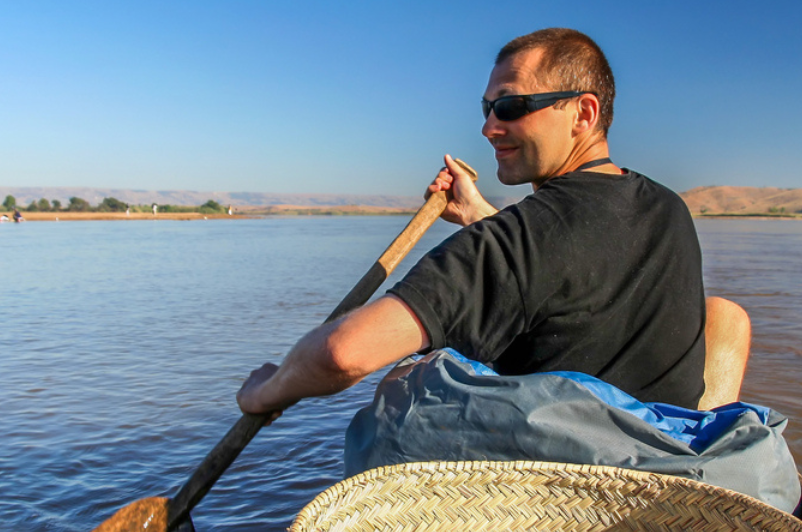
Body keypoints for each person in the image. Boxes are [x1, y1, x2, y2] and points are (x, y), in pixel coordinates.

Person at [237, 28, 750, 424]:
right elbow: (564, 256)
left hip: (554, 483)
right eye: (487, 108)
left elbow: (341, 353)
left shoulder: (513, 242)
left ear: (583, 113)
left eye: (510, 106)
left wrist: (269, 387)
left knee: (408, 377)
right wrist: (478, 212)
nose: (488, 127)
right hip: (656, 457)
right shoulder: (667, 209)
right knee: (723, 316)